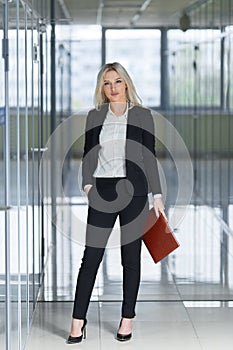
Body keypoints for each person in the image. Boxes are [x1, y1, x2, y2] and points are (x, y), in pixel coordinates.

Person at [67, 62, 166, 344]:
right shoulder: (95, 116)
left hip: (134, 192)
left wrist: (156, 195)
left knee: (130, 258)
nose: (113, 88)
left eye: (118, 81)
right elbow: (88, 153)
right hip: (102, 190)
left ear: (126, 84)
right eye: (107, 82)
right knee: (91, 258)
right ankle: (77, 321)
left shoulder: (143, 116)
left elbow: (149, 156)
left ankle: (127, 318)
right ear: (102, 86)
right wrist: (87, 185)